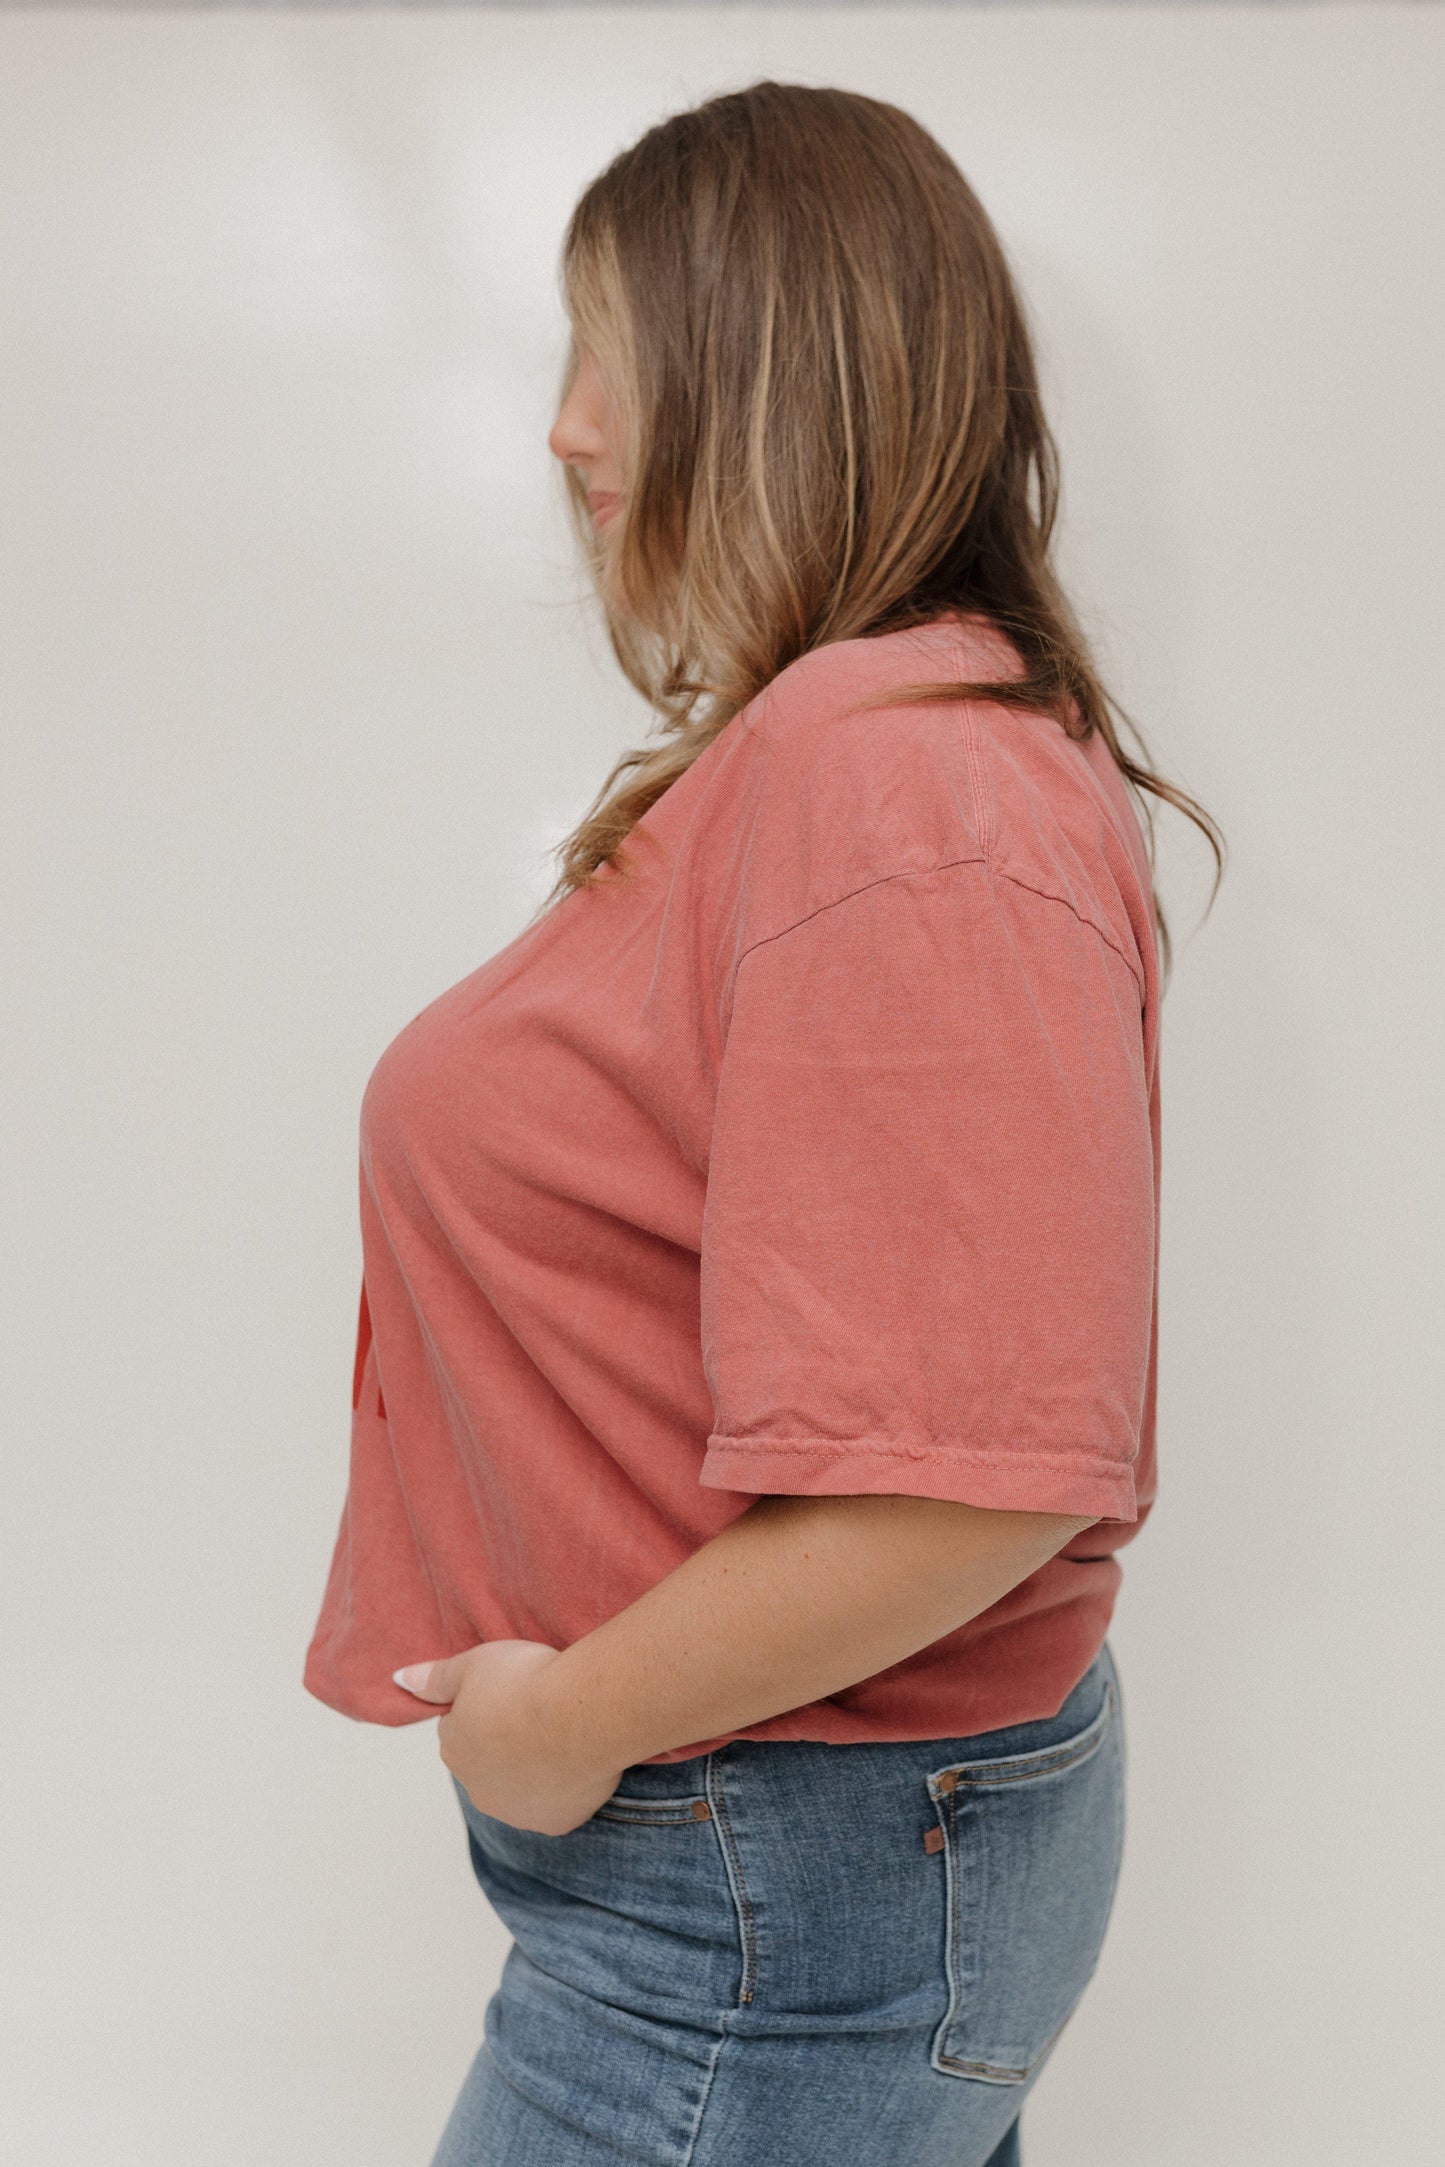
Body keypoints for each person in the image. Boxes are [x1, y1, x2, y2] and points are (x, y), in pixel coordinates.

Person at [304, 80, 1223, 2167]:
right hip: (779, 1869)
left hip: (759, 1874)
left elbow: (971, 1480)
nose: (561, 427)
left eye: (601, 349)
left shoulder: (902, 784)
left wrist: (563, 1728)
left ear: (764, 361)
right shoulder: (864, 754)